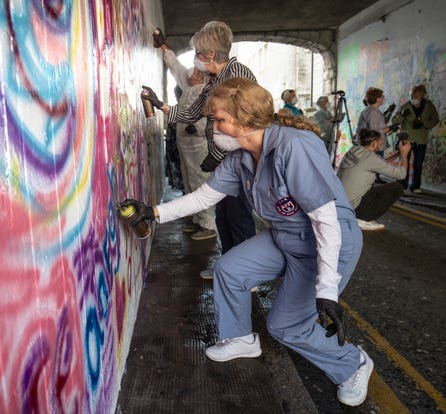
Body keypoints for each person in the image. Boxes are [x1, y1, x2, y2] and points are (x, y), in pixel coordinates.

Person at [121, 78, 372, 407]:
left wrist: (327, 290)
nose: (212, 126)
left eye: (218, 119)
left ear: (244, 121)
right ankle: (240, 337)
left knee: (286, 326)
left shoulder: (293, 146)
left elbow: (325, 222)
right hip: (286, 237)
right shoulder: (241, 158)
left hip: (326, 242)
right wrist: (153, 212)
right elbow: (203, 198)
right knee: (229, 268)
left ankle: (353, 364)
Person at [143, 21, 257, 279]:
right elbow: (193, 113)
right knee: (224, 217)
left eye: (198, 53)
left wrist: (214, 156)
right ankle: (228, 268)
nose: (195, 58)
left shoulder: (238, 75)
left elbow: (244, 125)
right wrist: (161, 105)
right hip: (224, 158)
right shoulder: (214, 79)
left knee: (238, 218)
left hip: (239, 159)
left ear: (211, 55)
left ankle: (246, 274)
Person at [156, 35, 216, 240]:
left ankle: (209, 225)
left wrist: (197, 128)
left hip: (200, 144)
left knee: (200, 182)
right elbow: (176, 66)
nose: (193, 75)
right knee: (189, 182)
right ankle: (198, 220)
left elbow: (210, 116)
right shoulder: (189, 85)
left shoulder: (209, 90)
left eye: (197, 73)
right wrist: (164, 48)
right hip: (185, 143)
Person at [337, 129, 410, 231]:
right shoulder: (371, 158)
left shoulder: (353, 151)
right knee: (396, 188)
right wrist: (404, 155)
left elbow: (380, 164)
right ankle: (362, 218)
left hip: (341, 203)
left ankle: (355, 215)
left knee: (375, 186)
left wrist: (398, 154)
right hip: (353, 207)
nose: (380, 147)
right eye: (380, 144)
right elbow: (401, 175)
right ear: (374, 143)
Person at [392, 84, 440, 193]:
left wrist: (424, 124)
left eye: (416, 97)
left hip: (421, 139)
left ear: (422, 96)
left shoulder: (429, 106)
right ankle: (402, 185)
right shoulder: (406, 106)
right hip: (407, 139)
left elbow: (435, 119)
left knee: (418, 163)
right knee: (404, 161)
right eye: (412, 96)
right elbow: (395, 121)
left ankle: (415, 186)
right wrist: (402, 115)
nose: (414, 99)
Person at [355, 87, 395, 156]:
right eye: (382, 96)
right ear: (377, 99)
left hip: (371, 146)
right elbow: (375, 132)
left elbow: (381, 122)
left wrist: (389, 111)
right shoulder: (373, 112)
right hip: (373, 146)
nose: (384, 98)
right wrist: (390, 128)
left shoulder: (371, 110)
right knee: (376, 166)